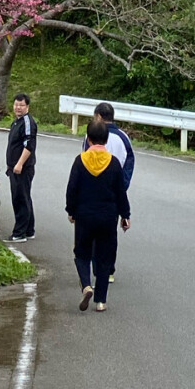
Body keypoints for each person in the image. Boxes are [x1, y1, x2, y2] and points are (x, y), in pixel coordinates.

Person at [66, 116, 131, 312]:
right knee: (104, 257)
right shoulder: (113, 163)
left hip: (84, 216)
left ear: (88, 139)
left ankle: (86, 285)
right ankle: (101, 301)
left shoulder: (80, 160)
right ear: (106, 139)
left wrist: (71, 210)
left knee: (82, 253)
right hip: (107, 217)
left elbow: (72, 189)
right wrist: (125, 215)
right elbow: (121, 192)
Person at [82, 100, 134, 282]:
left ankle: (96, 270)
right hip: (113, 193)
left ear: (98, 117)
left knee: (92, 234)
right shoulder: (123, 137)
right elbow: (129, 163)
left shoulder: (90, 137)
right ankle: (108, 270)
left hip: (92, 194)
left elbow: (84, 161)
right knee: (109, 233)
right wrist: (122, 186)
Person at [6, 92, 37, 241]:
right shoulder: (17, 121)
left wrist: (19, 164)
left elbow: (29, 145)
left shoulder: (27, 122)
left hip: (22, 168)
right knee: (24, 197)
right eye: (16, 104)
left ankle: (19, 233)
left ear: (27, 107)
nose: (18, 107)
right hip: (14, 167)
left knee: (20, 199)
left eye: (21, 105)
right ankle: (29, 230)